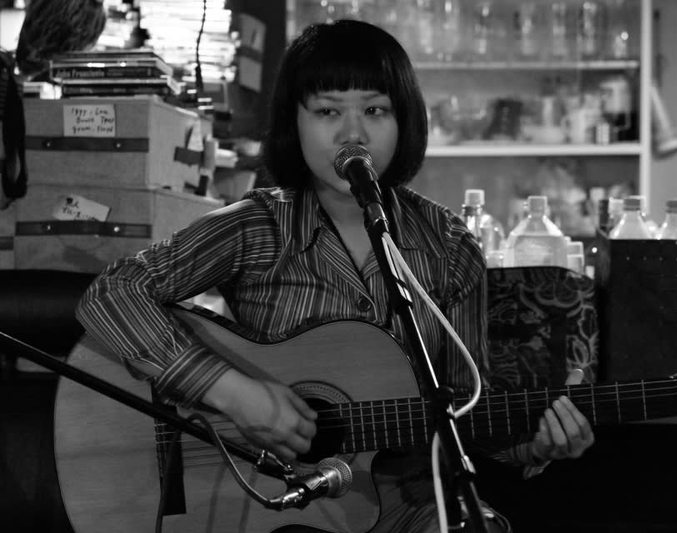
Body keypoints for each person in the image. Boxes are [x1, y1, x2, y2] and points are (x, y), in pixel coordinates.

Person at [76, 19, 594, 533]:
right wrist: (234, 393)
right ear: (294, 123)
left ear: (404, 121)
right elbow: (113, 293)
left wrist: (535, 444)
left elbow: (464, 409)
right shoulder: (255, 227)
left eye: (375, 110)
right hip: (267, 499)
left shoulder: (449, 246)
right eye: (327, 111)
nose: (353, 133)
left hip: (406, 502)